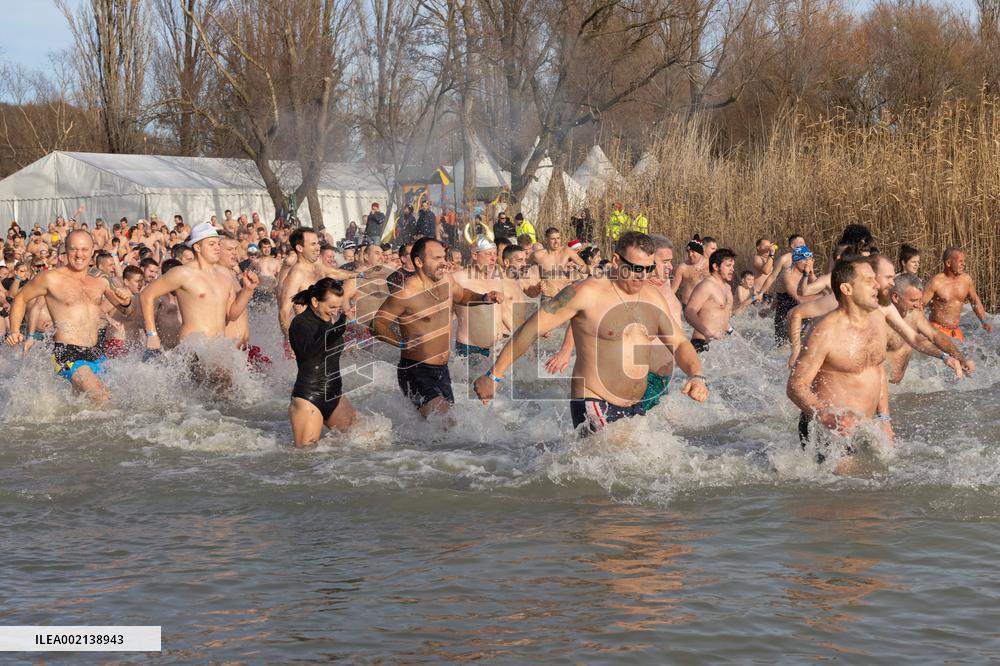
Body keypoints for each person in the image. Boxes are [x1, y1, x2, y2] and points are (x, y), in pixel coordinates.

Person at [476, 232, 708, 433]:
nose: (642, 276)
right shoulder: (583, 292)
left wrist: (696, 375)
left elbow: (678, 343)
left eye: (648, 269)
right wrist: (494, 375)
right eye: (635, 268)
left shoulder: (652, 296)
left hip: (636, 406)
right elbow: (531, 329)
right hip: (594, 402)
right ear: (616, 260)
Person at [372, 237, 503, 419]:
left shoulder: (446, 281)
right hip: (415, 370)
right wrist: (401, 343)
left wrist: (484, 297)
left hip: (442, 370)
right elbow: (377, 324)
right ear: (418, 262)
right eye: (437, 258)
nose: (443, 263)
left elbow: (462, 295)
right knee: (446, 422)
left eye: (443, 257)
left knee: (441, 434)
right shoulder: (406, 293)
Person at [787, 255, 893, 466]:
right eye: (868, 280)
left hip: (867, 426)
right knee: (847, 494)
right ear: (847, 289)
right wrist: (827, 417)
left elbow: (878, 368)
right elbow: (795, 386)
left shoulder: (878, 319)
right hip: (829, 428)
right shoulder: (825, 331)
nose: (877, 285)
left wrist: (885, 419)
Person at [4, 230, 132, 402]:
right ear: (66, 251)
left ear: (92, 251)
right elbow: (20, 299)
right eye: (74, 249)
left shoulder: (101, 280)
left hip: (96, 352)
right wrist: (13, 331)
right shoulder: (51, 278)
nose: (79, 254)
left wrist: (126, 300)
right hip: (68, 353)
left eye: (84, 249)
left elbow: (127, 312)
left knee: (112, 399)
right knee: (101, 397)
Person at [139, 223, 259, 371]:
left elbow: (232, 314)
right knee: (224, 384)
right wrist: (152, 334)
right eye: (212, 244)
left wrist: (247, 290)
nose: (217, 248)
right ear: (197, 247)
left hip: (218, 347)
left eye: (218, 244)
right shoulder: (183, 273)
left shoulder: (225, 274)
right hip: (193, 347)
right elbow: (146, 295)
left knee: (226, 389)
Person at [287, 278, 359, 446]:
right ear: (315, 301)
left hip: (334, 395)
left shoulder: (326, 322)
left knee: (370, 438)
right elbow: (312, 351)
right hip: (309, 398)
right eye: (331, 307)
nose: (335, 312)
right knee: (306, 457)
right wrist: (341, 322)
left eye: (338, 308)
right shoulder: (301, 324)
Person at [278, 227, 356, 357]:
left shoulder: (316, 267)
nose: (317, 247)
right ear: (300, 248)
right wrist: (289, 340)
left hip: (326, 332)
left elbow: (336, 273)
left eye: (318, 243)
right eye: (313, 244)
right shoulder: (296, 274)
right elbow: (284, 311)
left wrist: (362, 274)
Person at [886, 272, 972, 383]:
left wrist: (958, 358)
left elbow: (935, 336)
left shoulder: (914, 314)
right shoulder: (881, 318)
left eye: (919, 299)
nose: (918, 305)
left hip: (897, 387)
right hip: (881, 388)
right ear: (896, 297)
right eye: (913, 300)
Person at [452, 236, 526, 358]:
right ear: (475, 255)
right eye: (488, 254)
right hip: (470, 349)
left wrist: (522, 336)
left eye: (495, 254)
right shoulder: (459, 278)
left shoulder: (497, 278)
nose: (493, 258)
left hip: (496, 349)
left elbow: (502, 312)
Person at [922, 247, 992, 341]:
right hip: (937, 330)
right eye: (960, 261)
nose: (964, 264)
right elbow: (919, 306)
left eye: (964, 261)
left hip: (955, 331)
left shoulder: (966, 280)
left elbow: (975, 301)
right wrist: (922, 329)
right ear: (948, 263)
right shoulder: (936, 282)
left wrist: (984, 321)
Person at [684, 248, 736, 353]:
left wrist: (732, 333)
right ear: (716, 267)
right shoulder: (707, 285)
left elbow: (723, 316)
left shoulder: (727, 288)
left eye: (733, 266)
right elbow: (689, 311)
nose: (732, 269)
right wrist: (706, 333)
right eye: (728, 266)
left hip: (720, 344)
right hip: (702, 343)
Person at [773, 245, 817, 344]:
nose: (807, 262)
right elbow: (799, 299)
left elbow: (817, 288)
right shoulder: (788, 275)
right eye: (805, 259)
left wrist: (811, 273)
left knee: (805, 343)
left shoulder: (805, 272)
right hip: (784, 314)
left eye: (809, 259)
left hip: (800, 311)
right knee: (782, 347)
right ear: (796, 260)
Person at [529, 227, 588, 297]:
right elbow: (524, 271)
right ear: (547, 240)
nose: (556, 241)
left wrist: (578, 270)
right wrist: (537, 283)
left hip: (566, 295)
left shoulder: (567, 251)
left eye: (558, 238)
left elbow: (585, 268)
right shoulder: (538, 255)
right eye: (553, 239)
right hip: (548, 296)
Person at [671, 236, 709, 306]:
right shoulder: (683, 267)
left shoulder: (710, 266)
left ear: (700, 252)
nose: (690, 255)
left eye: (693, 252)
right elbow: (672, 290)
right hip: (687, 306)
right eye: (688, 252)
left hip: (706, 307)